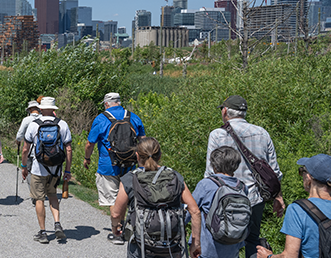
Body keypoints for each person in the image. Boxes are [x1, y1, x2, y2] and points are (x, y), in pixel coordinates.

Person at [206, 95, 284, 258]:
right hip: (255, 200)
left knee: (223, 239)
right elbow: (274, 172)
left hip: (225, 199)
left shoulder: (217, 135)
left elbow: (210, 173)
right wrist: (278, 196)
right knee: (252, 240)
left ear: (225, 111)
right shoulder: (262, 133)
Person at [256, 154, 331, 258]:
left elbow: (290, 256)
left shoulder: (297, 210)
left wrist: (268, 256)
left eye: (302, 171)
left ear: (308, 178)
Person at [110, 137, 202, 258]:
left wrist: (115, 227)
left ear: (137, 156)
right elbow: (195, 211)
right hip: (172, 247)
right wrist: (196, 243)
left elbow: (116, 214)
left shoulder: (130, 179)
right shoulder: (175, 177)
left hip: (141, 246)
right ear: (160, 155)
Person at [83, 92, 146, 244]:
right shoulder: (133, 117)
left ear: (106, 104)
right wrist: (143, 163)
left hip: (108, 166)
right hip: (130, 164)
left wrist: (87, 158)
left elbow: (90, 143)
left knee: (112, 199)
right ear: (119, 102)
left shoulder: (101, 118)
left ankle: (116, 233)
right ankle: (125, 227)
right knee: (125, 197)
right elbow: (143, 140)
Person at [21, 97, 73, 244]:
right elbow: (68, 149)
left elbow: (26, 149)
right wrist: (67, 170)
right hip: (55, 169)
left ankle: (43, 232)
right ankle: (57, 223)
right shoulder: (62, 124)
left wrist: (24, 167)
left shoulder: (34, 125)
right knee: (52, 195)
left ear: (41, 109)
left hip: (38, 168)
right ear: (54, 109)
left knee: (39, 199)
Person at [193, 147, 247, 258]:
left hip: (208, 250)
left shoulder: (206, 184)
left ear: (214, 165)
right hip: (233, 249)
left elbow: (191, 211)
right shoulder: (241, 187)